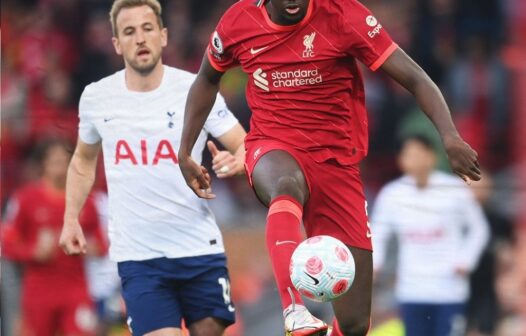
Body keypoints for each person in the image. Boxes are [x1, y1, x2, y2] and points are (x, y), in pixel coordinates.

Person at [178, 1, 481, 335]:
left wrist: (450, 138)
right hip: (273, 143)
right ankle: (294, 309)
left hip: (337, 163)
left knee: (354, 325)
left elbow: (416, 78)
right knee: (285, 186)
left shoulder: (342, 14)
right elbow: (206, 79)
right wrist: (185, 150)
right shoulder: (238, 21)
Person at [58, 1, 247, 335]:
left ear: (163, 35)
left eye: (147, 29)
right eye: (129, 32)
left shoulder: (196, 90)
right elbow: (83, 161)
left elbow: (244, 144)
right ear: (116, 43)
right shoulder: (97, 98)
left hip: (199, 250)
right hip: (140, 260)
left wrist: (238, 161)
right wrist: (71, 218)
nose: (140, 38)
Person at [371, 135, 489, 336]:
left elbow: (479, 229)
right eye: (408, 155)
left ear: (431, 157)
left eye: (418, 154)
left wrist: (465, 260)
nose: (414, 160)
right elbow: (377, 233)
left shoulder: (454, 189)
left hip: (449, 289)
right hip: (412, 288)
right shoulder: (392, 195)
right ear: (401, 160)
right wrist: (375, 265)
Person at [2, 138, 107, 336]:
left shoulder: (88, 201)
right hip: (39, 290)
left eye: (65, 161)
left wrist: (88, 247)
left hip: (75, 289)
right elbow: (7, 245)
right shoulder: (26, 198)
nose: (61, 167)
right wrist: (34, 251)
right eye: (55, 161)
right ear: (43, 164)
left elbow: (102, 244)